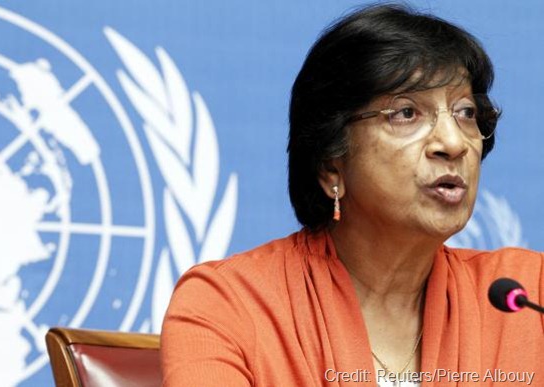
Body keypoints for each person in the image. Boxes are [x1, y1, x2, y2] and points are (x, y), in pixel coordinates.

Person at [161, 4, 544, 386]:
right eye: (406, 113)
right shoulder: (230, 306)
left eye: (465, 112)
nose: (453, 142)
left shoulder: (528, 296)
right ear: (331, 165)